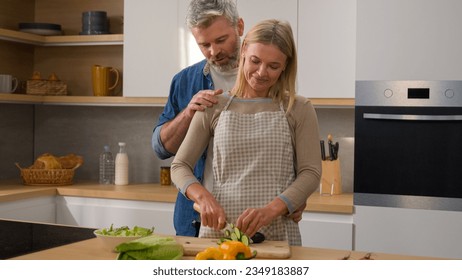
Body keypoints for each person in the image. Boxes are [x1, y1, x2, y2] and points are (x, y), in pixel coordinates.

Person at [171, 19, 322, 246]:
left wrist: (271, 210)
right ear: (243, 51)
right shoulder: (214, 105)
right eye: (255, 61)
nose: (262, 72)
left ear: (285, 66)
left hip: (277, 233)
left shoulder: (298, 108)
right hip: (219, 233)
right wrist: (204, 198)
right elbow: (179, 166)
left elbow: (310, 172)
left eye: (273, 66)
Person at [152, 0, 244, 237]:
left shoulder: (264, 76)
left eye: (221, 40)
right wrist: (189, 113)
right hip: (193, 218)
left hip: (250, 215)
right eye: (204, 45)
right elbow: (161, 148)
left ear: (240, 27)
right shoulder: (184, 80)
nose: (214, 51)